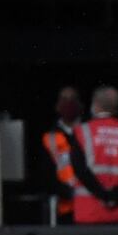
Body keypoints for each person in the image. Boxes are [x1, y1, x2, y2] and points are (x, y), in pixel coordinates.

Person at [67, 85, 118, 224]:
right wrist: (115, 197)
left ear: (95, 105)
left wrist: (104, 196)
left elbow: (80, 169)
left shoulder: (82, 132)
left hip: (89, 212)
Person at [40, 86, 83, 224]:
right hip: (62, 209)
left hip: (90, 207)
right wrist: (67, 193)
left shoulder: (90, 133)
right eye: (64, 99)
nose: (68, 104)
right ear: (58, 105)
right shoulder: (49, 138)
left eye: (72, 99)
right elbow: (45, 175)